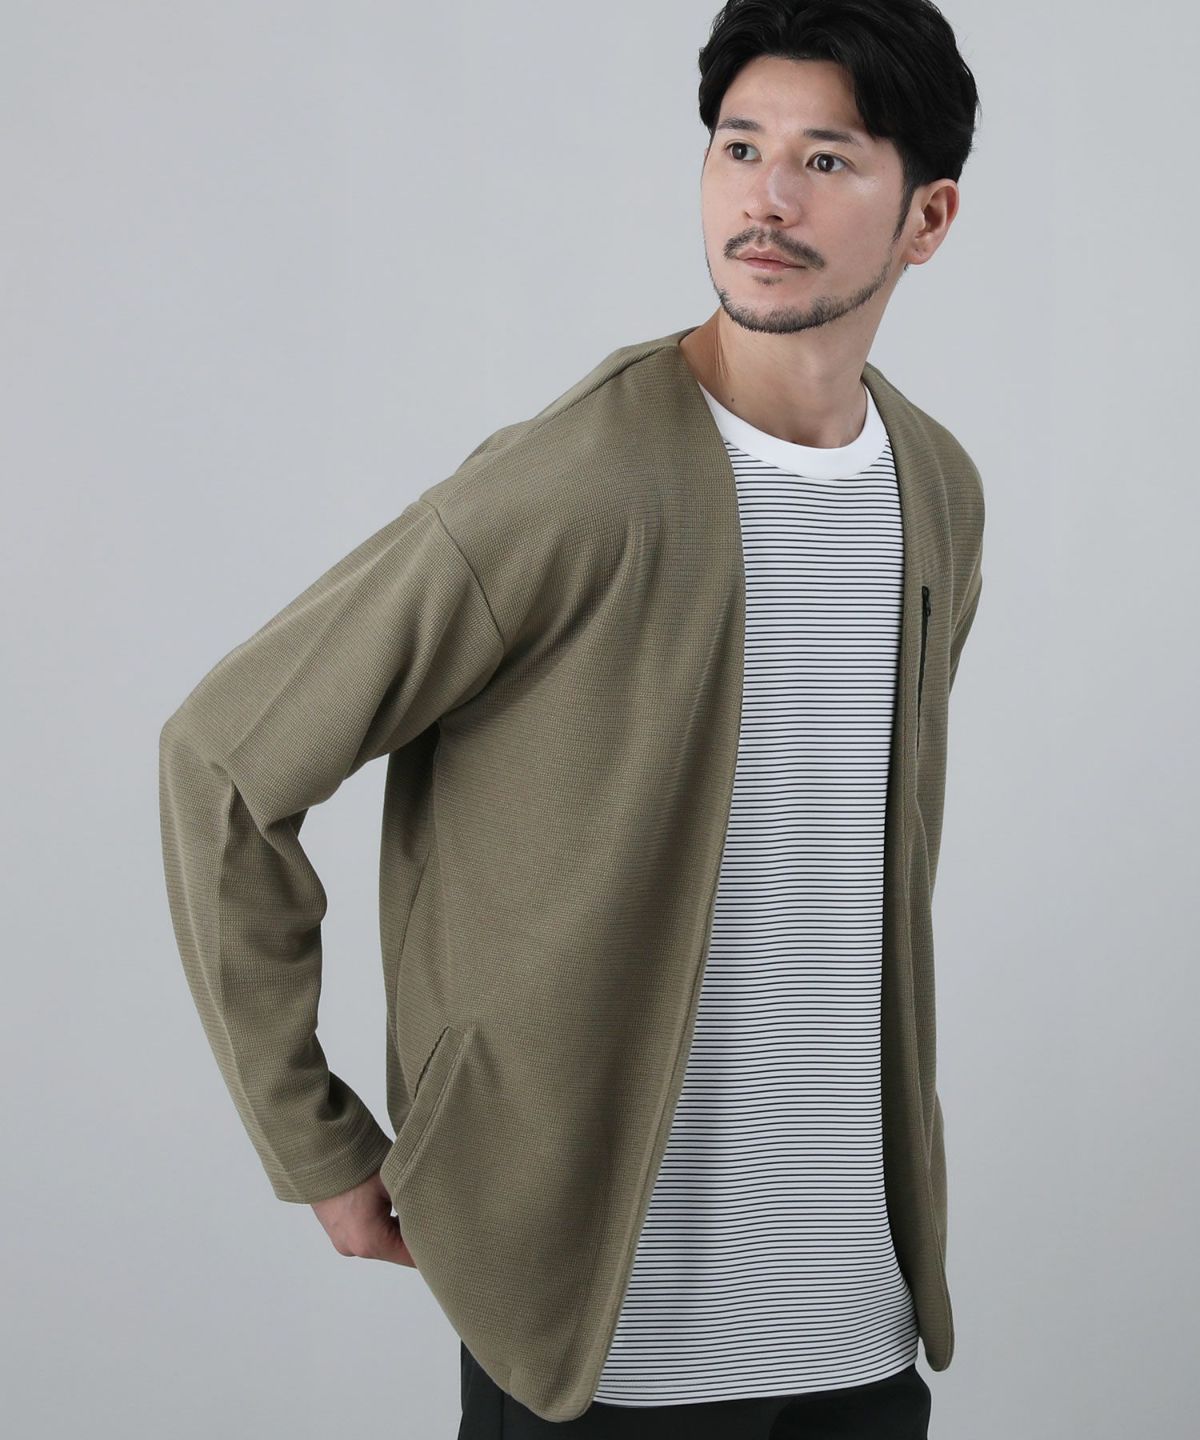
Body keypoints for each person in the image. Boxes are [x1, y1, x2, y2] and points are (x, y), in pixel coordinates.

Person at [158, 1, 985, 1433]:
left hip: (854, 1319)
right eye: (739, 148)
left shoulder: (938, 490)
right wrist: (317, 1142)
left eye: (826, 160)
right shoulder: (577, 482)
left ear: (928, 218)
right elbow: (224, 763)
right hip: (598, 1337)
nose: (766, 200)